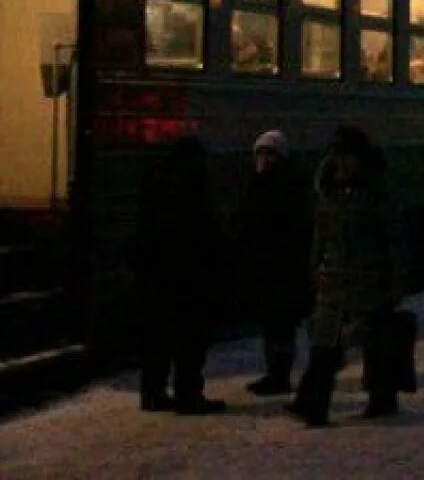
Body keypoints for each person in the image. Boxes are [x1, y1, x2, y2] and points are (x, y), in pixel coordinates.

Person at [288, 126, 406, 427]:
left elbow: (392, 238)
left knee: (375, 341)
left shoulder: (375, 191)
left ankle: (381, 397)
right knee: (325, 343)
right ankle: (312, 405)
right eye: (339, 156)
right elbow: (322, 234)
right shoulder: (331, 189)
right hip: (335, 277)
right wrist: (315, 268)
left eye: (347, 157)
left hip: (370, 276)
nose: (342, 162)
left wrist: (395, 280)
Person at [136, 136, 226, 415]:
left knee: (157, 337)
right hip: (189, 277)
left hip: (155, 276)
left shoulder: (155, 188)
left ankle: (153, 393)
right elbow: (205, 235)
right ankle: (188, 395)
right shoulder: (193, 191)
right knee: (190, 339)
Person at [239, 130, 312, 396]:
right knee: (273, 325)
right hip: (269, 268)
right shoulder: (265, 183)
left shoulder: (283, 186)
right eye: (260, 153)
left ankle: (279, 377)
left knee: (280, 326)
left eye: (269, 153)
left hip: (283, 269)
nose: (263, 159)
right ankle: (275, 373)